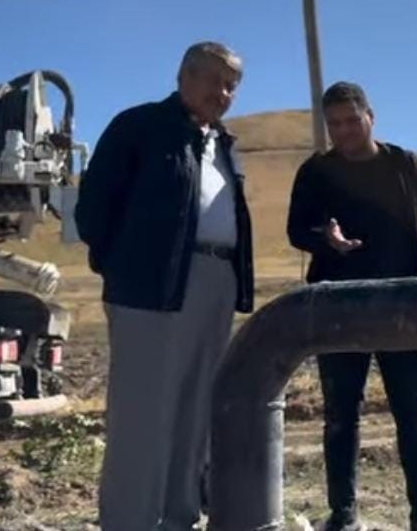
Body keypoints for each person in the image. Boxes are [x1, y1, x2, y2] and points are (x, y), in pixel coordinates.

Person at [74, 42, 255, 530]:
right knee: (142, 412)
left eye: (232, 86)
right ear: (184, 76)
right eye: (215, 81)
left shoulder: (223, 143)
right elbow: (93, 212)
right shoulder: (139, 127)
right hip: (149, 286)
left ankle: (180, 516)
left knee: (197, 408)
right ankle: (130, 521)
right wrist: (124, 266)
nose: (223, 94)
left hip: (216, 279)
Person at [287, 81, 417, 531]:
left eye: (352, 120)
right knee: (340, 413)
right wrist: (325, 238)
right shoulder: (316, 171)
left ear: (371, 117)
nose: (344, 131)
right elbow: (295, 229)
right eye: (335, 124)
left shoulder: (403, 164)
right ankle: (343, 515)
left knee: (413, 412)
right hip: (338, 306)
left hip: (403, 304)